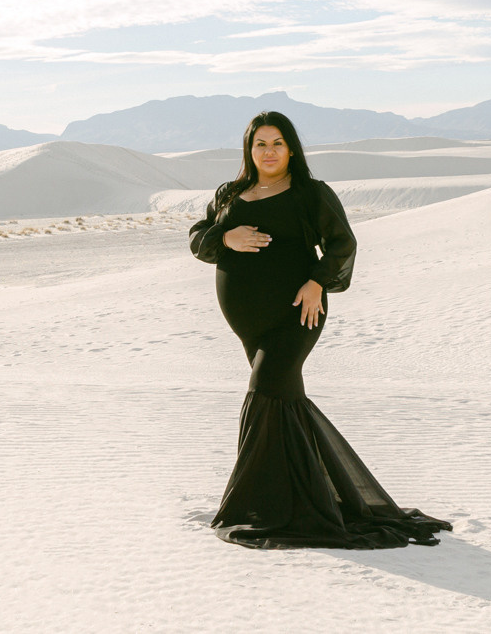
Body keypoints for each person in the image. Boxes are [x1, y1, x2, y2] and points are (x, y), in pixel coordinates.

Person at [189, 109, 452, 549]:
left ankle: (262, 503)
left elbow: (343, 244)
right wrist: (226, 238)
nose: (268, 151)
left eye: (277, 143)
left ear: (291, 148)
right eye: (260, 144)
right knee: (284, 401)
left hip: (297, 312)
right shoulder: (230, 194)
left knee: (267, 387)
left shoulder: (311, 193)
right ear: (248, 150)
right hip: (248, 321)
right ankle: (300, 498)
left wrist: (316, 283)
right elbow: (199, 236)